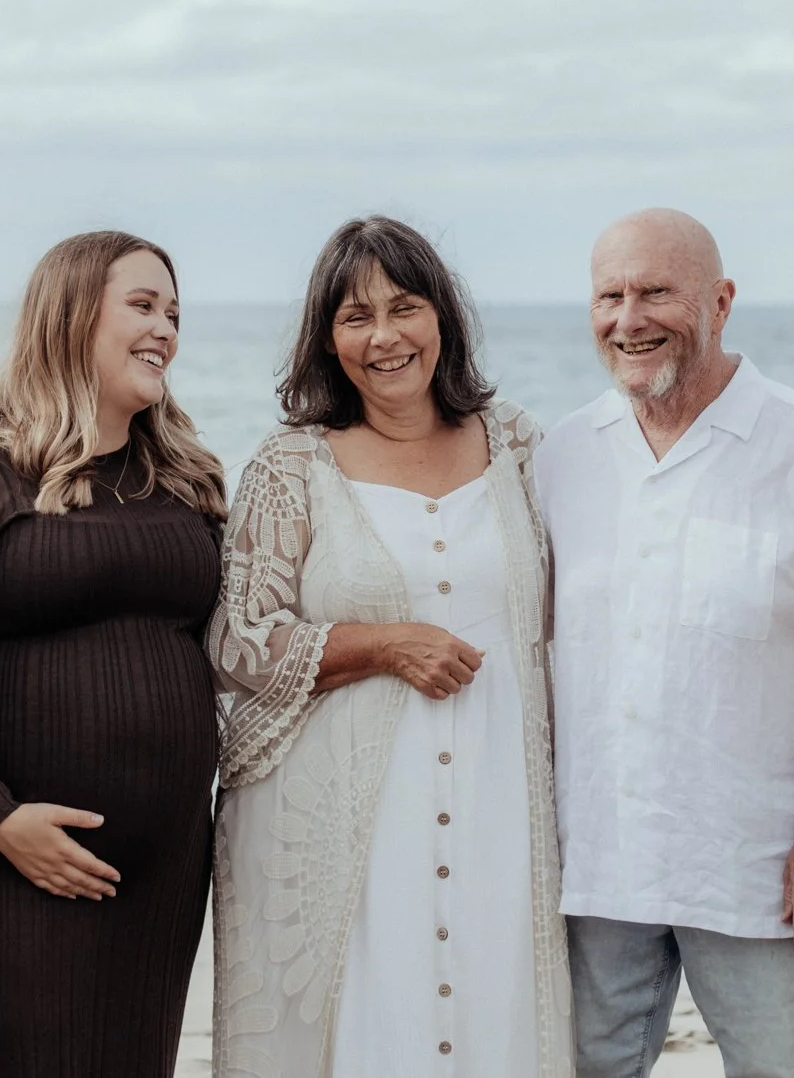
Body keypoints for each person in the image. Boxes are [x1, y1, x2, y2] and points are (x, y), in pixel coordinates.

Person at [209, 216, 571, 1077]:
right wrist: (383, 643)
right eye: (354, 316)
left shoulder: (516, 442)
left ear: (442, 316)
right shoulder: (294, 464)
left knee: (498, 1012)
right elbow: (238, 640)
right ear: (327, 340)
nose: (384, 337)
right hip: (341, 813)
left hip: (499, 794)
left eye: (403, 307)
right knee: (368, 1023)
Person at [0, 232, 229, 1076]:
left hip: (159, 872)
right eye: (142, 305)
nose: (166, 329)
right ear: (70, 317)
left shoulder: (180, 481)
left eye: (174, 312)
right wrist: (0, 820)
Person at [535, 208, 794, 1078]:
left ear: (721, 301)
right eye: (609, 295)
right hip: (597, 862)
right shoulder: (561, 454)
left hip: (758, 869)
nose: (628, 318)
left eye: (656, 292)